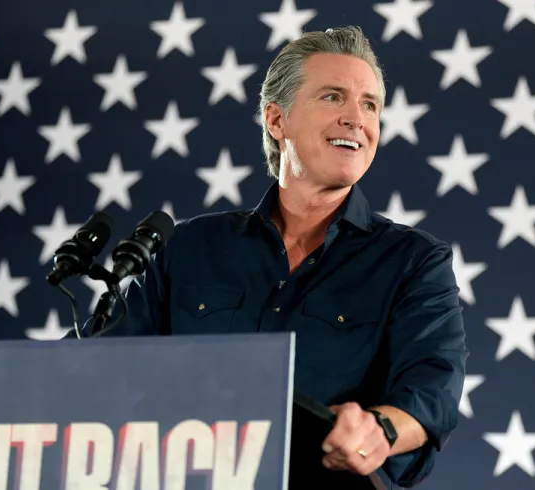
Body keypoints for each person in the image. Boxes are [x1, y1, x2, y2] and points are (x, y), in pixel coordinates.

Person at [80, 26, 468, 488]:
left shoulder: (414, 262)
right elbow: (97, 370)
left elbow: (432, 390)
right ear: (276, 120)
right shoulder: (187, 247)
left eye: (370, 105)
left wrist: (379, 430)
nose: (355, 119)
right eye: (333, 97)